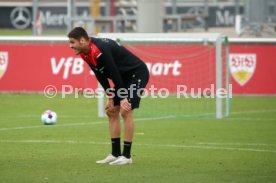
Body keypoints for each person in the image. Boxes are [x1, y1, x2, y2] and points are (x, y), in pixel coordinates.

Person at [67, 27, 149, 165]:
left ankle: (127, 156)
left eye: (72, 42)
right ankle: (115, 154)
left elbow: (113, 72)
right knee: (111, 112)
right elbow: (100, 74)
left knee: (126, 110)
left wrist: (123, 97)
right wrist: (110, 97)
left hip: (137, 73)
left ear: (82, 40)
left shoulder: (101, 49)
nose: (70, 46)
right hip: (123, 77)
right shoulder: (84, 53)